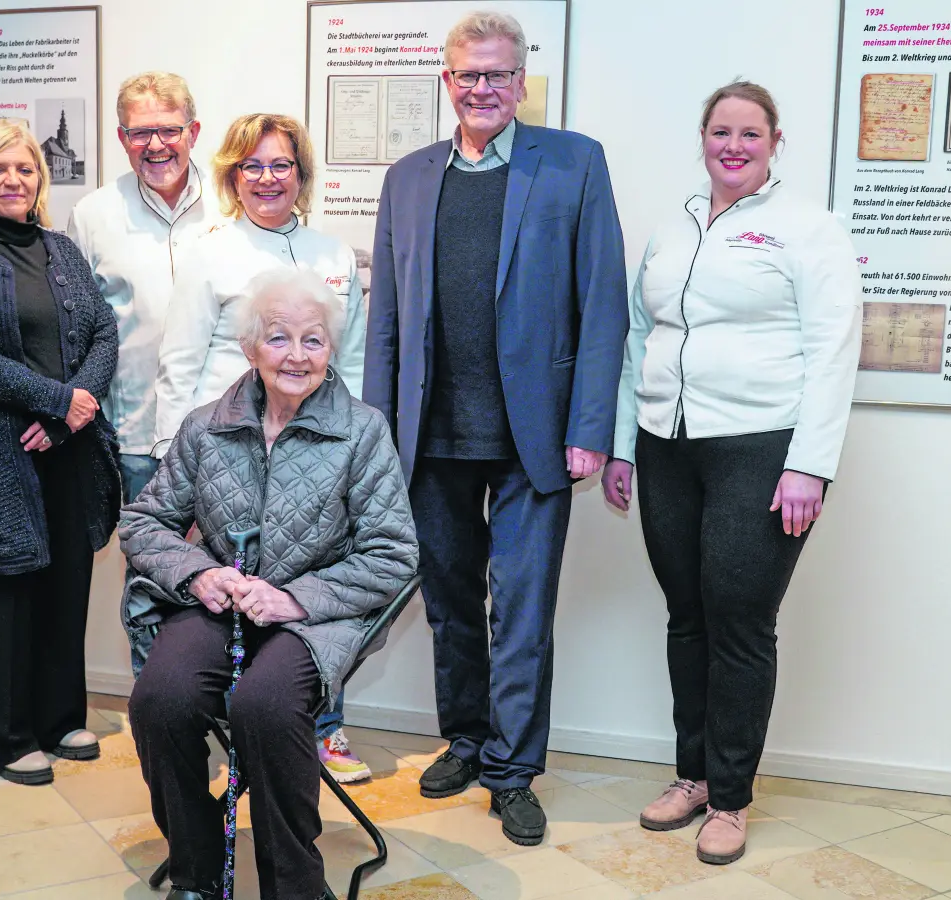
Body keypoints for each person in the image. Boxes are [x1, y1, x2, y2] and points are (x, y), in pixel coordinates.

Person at [364, 11, 628, 846]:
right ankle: (468, 740)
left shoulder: (575, 163)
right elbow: (386, 321)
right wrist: (376, 434)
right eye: (468, 75)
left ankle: (514, 771)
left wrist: (590, 425)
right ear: (447, 81)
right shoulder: (407, 177)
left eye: (498, 74)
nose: (483, 89)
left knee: (520, 611)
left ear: (522, 80)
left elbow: (604, 305)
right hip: (429, 436)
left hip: (534, 438)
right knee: (448, 604)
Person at [602, 81, 863, 865]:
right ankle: (692, 777)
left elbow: (833, 351)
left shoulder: (808, 229)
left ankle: (733, 797)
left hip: (761, 448)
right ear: (704, 138)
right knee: (688, 613)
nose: (734, 145)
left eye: (751, 133)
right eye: (721, 131)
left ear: (775, 142)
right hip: (666, 444)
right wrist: (622, 444)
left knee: (740, 620)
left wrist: (809, 466)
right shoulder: (673, 228)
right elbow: (637, 338)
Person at [123, 269, 418, 900]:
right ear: (251, 347)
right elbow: (145, 522)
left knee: (263, 706)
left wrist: (295, 598)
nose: (297, 356)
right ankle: (195, 867)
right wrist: (199, 573)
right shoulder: (207, 426)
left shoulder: (361, 431)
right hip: (220, 607)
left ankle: (294, 885)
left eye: (313, 341)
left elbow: (394, 554)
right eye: (279, 338)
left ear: (330, 352)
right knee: (161, 701)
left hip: (316, 618)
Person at [156, 112, 373, 783]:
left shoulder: (333, 256)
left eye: (281, 165)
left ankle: (323, 734)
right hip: (228, 459)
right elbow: (180, 365)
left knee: (313, 595)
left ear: (301, 175)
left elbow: (355, 364)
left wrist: (355, 452)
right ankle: (238, 741)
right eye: (252, 165)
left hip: (318, 458)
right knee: (231, 604)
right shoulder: (208, 252)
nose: (267, 178)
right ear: (233, 176)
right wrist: (180, 474)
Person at [0, 119, 121, 786]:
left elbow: (103, 333)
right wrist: (53, 399)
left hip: (65, 445)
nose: (14, 180)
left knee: (68, 581)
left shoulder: (62, 250)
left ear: (41, 179)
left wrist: (73, 410)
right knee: (2, 591)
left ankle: (60, 716)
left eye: (26, 169)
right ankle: (6, 738)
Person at [68, 72, 221, 508]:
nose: (156, 145)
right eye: (140, 133)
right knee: (148, 569)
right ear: (122, 137)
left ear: (193, 132)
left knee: (235, 570)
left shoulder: (232, 203)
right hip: (136, 435)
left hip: (230, 432)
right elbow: (77, 331)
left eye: (169, 130)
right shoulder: (92, 216)